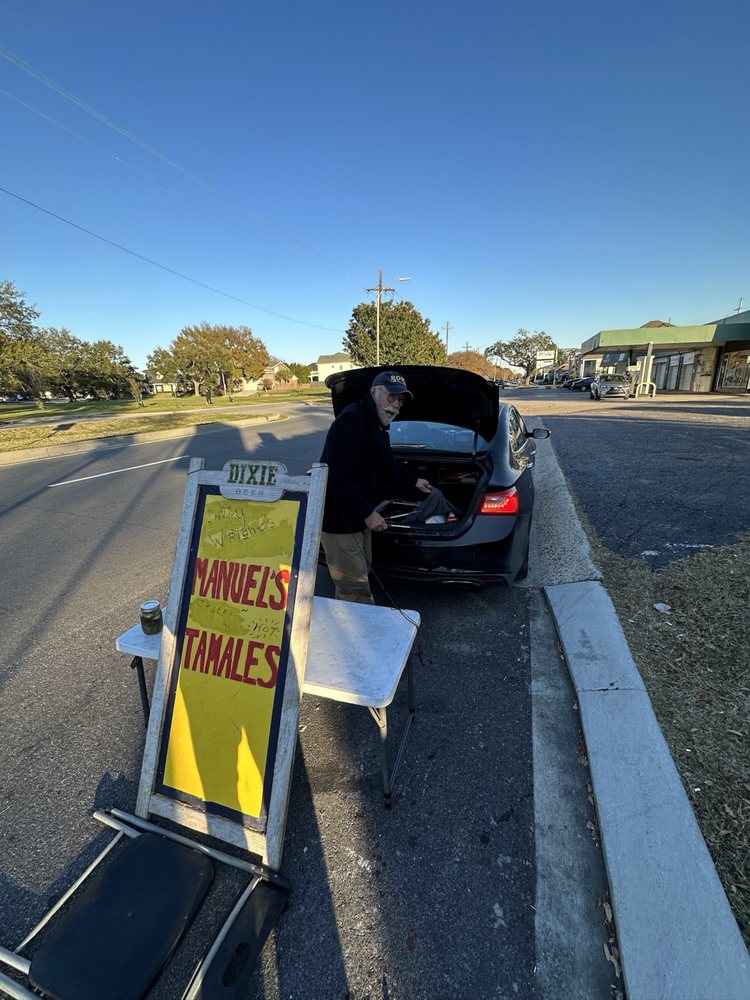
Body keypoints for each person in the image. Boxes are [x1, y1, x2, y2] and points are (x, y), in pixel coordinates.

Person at [320, 370, 431, 603]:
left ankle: (350, 614)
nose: (396, 405)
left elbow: (387, 463)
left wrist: (414, 480)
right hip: (339, 520)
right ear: (374, 391)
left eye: (400, 400)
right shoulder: (351, 421)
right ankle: (356, 634)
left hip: (357, 515)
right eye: (392, 396)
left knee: (362, 569)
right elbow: (338, 478)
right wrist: (368, 514)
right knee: (354, 585)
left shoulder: (377, 425)